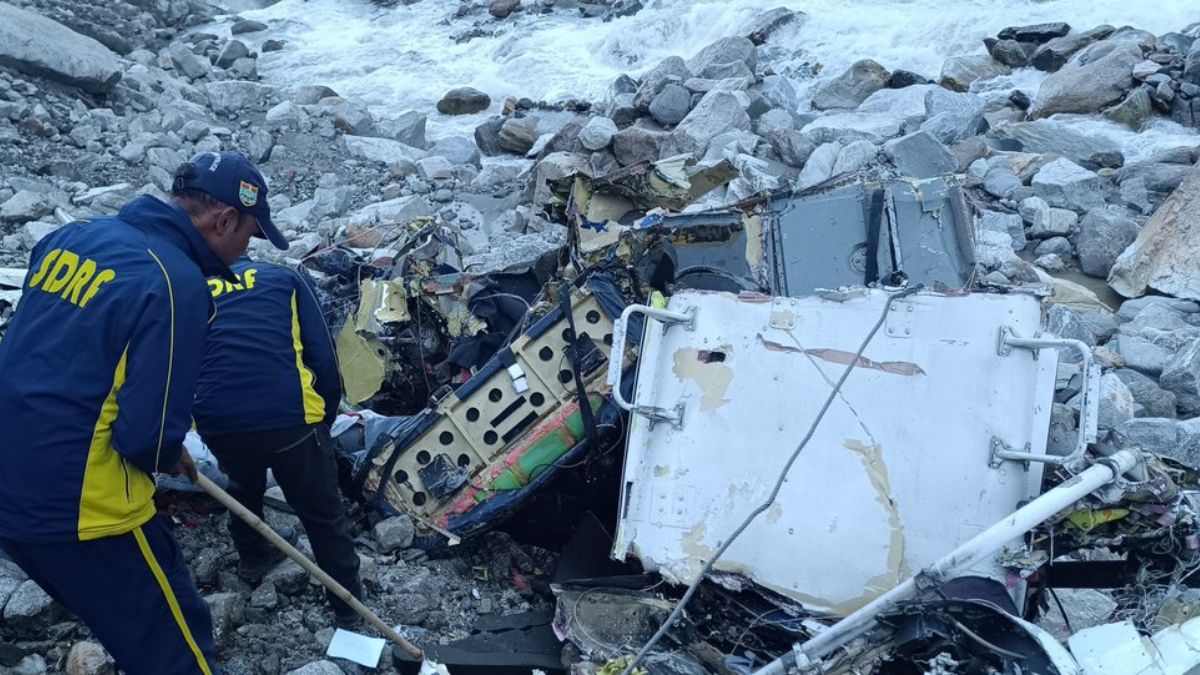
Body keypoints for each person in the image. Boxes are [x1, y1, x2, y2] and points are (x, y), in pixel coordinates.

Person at [0, 151, 289, 674]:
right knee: (175, 647)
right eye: (251, 234)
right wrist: (164, 447)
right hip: (82, 509)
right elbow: (145, 437)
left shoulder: (72, 238)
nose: (248, 250)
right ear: (224, 220)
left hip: (10, 486)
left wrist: (161, 441)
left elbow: (54, 355)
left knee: (108, 612)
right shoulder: (175, 282)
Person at [191, 250, 363, 628]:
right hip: (290, 421)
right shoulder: (283, 278)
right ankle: (347, 607)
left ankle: (252, 557)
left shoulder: (190, 286)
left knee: (242, 484)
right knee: (322, 513)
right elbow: (322, 356)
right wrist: (324, 421)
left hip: (219, 422)